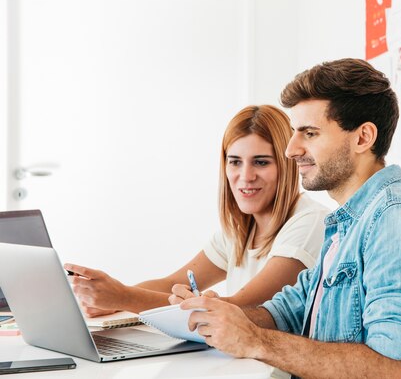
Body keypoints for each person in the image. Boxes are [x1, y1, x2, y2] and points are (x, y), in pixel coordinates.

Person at [175, 59, 401, 379]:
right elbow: (285, 311)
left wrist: (256, 341)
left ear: (362, 138)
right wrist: (221, 315)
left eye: (309, 133)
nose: (291, 150)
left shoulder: (398, 222)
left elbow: (396, 369)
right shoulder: (347, 225)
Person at [64, 105, 328, 316]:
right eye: (235, 162)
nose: (245, 176)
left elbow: (239, 309)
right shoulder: (239, 229)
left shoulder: (309, 222)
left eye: (260, 162)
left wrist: (123, 296)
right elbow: (171, 284)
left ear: (287, 165)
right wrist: (108, 298)